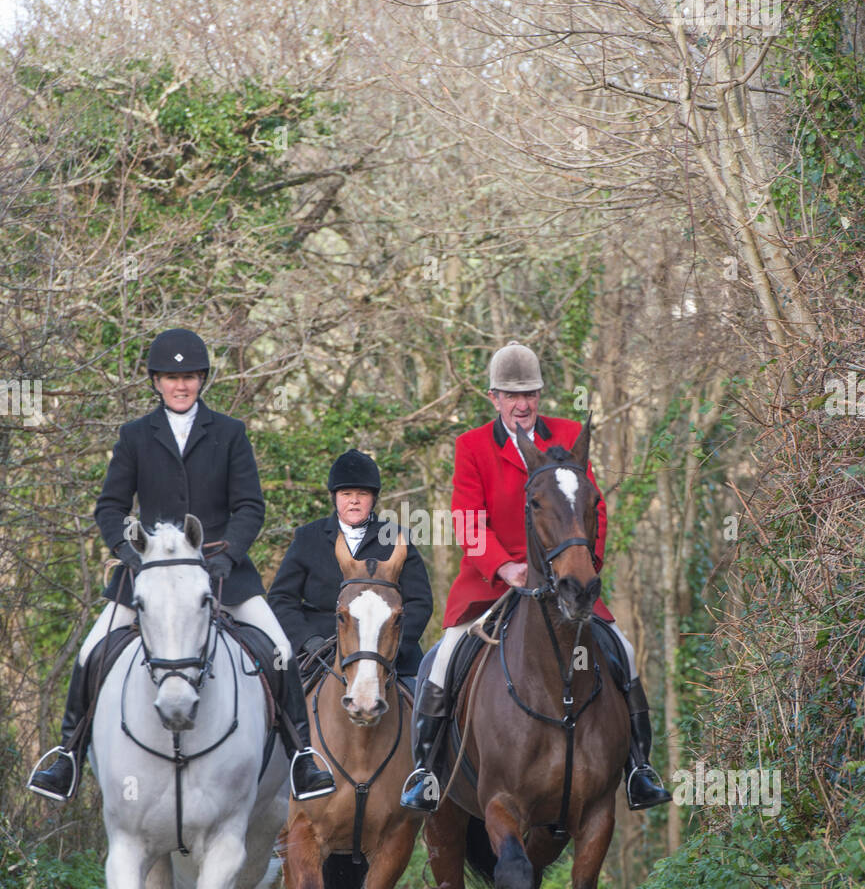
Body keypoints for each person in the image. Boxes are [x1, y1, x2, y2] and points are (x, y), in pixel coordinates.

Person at [28, 328, 335, 803]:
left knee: (279, 649)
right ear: (155, 381)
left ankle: (302, 758)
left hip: (222, 572)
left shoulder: (230, 433)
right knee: (91, 654)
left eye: (189, 376)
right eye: (172, 377)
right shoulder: (134, 436)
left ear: (201, 380)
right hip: (150, 575)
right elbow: (110, 507)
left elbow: (250, 506)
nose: (181, 385)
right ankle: (66, 756)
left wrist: (228, 555)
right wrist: (130, 554)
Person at [400, 341, 672, 812]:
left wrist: (583, 565)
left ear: (540, 395)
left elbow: (594, 508)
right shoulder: (472, 446)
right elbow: (466, 517)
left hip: (564, 581)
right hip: (490, 585)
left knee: (622, 652)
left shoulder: (568, 435)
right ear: (493, 398)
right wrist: (506, 566)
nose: (521, 404)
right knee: (441, 662)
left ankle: (639, 769)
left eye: (529, 394)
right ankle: (424, 771)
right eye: (511, 395)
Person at [268, 449, 433, 700]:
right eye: (346, 494)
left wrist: (393, 646)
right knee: (277, 705)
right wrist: (308, 640)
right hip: (319, 652)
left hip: (388, 653)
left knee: (427, 703)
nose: (354, 501)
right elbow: (281, 599)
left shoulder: (397, 538)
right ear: (335, 498)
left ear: (373, 499)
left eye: (362, 494)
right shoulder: (307, 538)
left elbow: (420, 602)